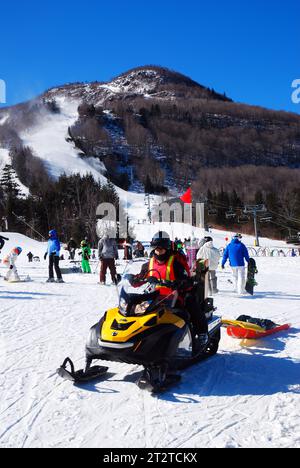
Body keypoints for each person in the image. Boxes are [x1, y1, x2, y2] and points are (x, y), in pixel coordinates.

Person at [137, 231, 208, 347]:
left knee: (191, 303)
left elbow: (187, 280)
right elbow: (140, 277)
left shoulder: (175, 262)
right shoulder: (149, 264)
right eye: (156, 249)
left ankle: (202, 332)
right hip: (156, 298)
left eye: (162, 249)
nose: (159, 251)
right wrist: (132, 279)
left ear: (167, 248)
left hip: (176, 296)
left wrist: (177, 283)